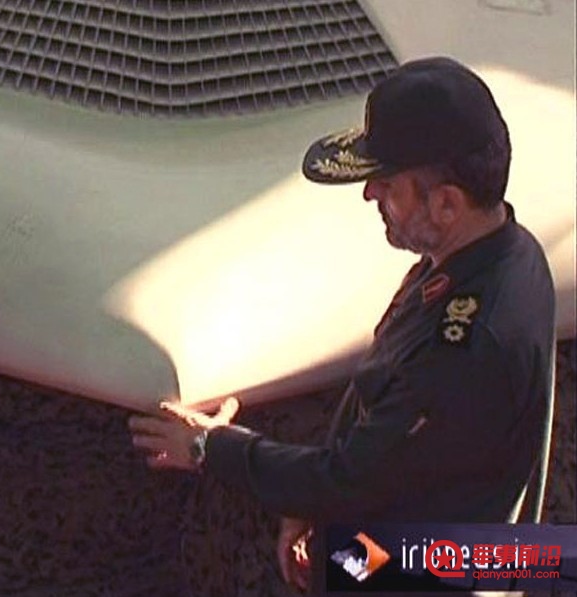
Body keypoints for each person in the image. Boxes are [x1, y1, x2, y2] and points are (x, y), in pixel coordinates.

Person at [128, 57, 555, 593]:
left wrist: (208, 446)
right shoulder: (503, 253)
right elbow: (377, 421)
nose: (370, 194)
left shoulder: (464, 347)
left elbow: (350, 480)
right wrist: (308, 506)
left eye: (387, 182)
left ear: (446, 203)